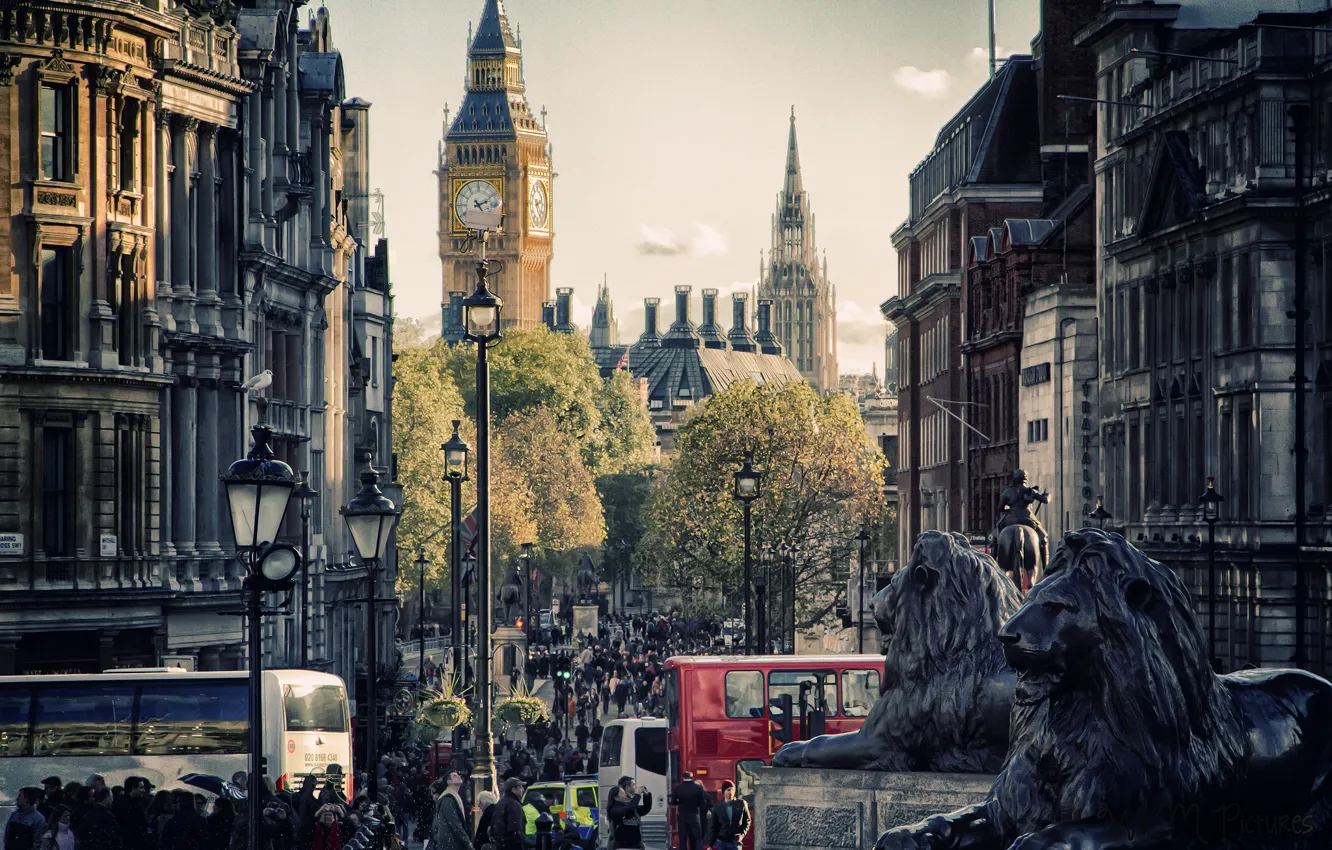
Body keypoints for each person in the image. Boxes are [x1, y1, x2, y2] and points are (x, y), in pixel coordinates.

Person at [995, 468, 1050, 567]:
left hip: (1010, 519)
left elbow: (999, 508)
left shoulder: (1007, 492)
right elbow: (1045, 500)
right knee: (1044, 538)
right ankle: (1047, 568)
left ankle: (993, 561)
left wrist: (1009, 510)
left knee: (996, 536)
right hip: (1027, 519)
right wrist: (1048, 495)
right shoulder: (1031, 491)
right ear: (1026, 479)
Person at [430, 773, 473, 850]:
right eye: (455, 776)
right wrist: (467, 841)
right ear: (449, 782)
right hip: (450, 844)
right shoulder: (448, 799)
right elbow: (454, 823)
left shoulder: (452, 797)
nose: (459, 776)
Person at [606, 777, 651, 850]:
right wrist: (638, 794)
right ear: (616, 798)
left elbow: (645, 809)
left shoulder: (630, 806)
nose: (625, 795)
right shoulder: (615, 810)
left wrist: (646, 795)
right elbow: (629, 808)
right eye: (622, 793)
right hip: (622, 846)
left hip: (636, 845)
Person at [670, 772, 709, 850]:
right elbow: (703, 803)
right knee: (697, 838)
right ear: (692, 777)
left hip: (682, 816)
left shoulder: (678, 788)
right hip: (694, 815)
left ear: (683, 778)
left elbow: (673, 802)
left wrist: (679, 802)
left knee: (683, 838)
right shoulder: (698, 788)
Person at [706, 781, 750, 850]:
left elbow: (747, 821)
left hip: (735, 842)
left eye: (732, 789)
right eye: (728, 790)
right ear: (724, 791)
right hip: (721, 842)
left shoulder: (741, 804)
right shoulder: (717, 806)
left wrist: (742, 834)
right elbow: (713, 826)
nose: (731, 792)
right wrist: (710, 845)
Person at [489, 778, 526, 850]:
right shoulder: (514, 804)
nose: (523, 789)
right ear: (513, 789)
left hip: (500, 844)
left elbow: (494, 826)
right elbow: (515, 829)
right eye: (520, 787)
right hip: (511, 845)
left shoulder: (500, 803)